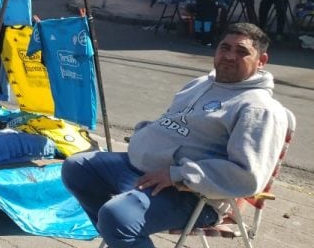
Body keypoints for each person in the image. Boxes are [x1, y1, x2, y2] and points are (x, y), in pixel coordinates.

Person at [62, 22, 289, 248]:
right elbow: (171, 123)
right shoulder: (200, 83)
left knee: (117, 216)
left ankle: (122, 231)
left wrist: (178, 175)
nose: (230, 56)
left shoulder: (259, 109)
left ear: (261, 61)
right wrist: (146, 136)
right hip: (141, 169)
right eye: (225, 47)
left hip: (191, 194)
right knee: (77, 167)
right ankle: (122, 238)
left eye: (242, 52)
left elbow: (247, 177)